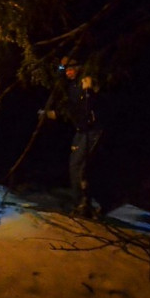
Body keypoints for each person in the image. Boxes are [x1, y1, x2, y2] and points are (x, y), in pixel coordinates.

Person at [43, 55, 103, 217]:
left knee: (78, 166)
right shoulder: (73, 86)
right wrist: (53, 114)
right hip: (81, 130)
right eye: (66, 70)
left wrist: (91, 89)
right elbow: (72, 111)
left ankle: (84, 204)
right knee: (76, 165)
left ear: (78, 68)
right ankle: (83, 202)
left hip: (91, 130)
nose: (68, 72)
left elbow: (94, 103)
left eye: (70, 69)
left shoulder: (86, 82)